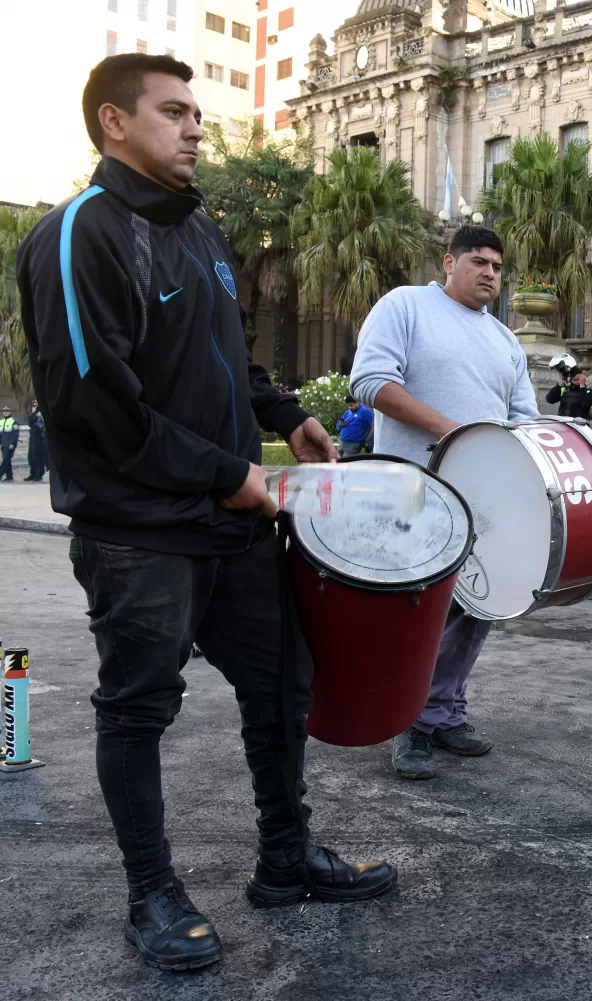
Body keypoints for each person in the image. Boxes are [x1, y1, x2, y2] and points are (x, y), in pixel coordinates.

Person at [18, 53, 390, 972]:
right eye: (175, 111)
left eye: (196, 112)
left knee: (281, 684)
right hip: (139, 531)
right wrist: (231, 473)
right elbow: (93, 406)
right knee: (139, 708)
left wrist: (285, 414)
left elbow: (230, 355)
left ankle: (284, 856)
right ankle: (151, 890)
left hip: (233, 519)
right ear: (114, 121)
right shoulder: (80, 234)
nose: (195, 127)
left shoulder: (200, 231)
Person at [351, 224, 539, 776]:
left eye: (498, 267)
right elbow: (371, 382)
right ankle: (406, 723)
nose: (489, 274)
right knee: (418, 612)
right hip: (413, 487)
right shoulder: (406, 306)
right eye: (478, 261)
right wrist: (455, 433)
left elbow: (523, 418)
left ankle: (444, 712)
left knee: (478, 605)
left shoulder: (505, 340)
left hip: (482, 495)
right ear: (449, 262)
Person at [25, 400, 47, 481]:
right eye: (33, 404)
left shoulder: (43, 412)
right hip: (33, 436)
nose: (34, 406)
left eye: (36, 404)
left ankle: (39, 474)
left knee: (39, 456)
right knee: (31, 456)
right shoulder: (34, 413)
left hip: (41, 437)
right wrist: (33, 413)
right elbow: (30, 422)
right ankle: (33, 473)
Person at [0, 405, 17, 480]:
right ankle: (9, 476)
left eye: (7, 411)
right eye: (4, 411)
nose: (5, 412)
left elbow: (15, 434)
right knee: (7, 460)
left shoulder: (13, 421)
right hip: (3, 444)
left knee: (6, 460)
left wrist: (12, 443)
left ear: (10, 412)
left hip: (10, 444)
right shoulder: (1, 421)